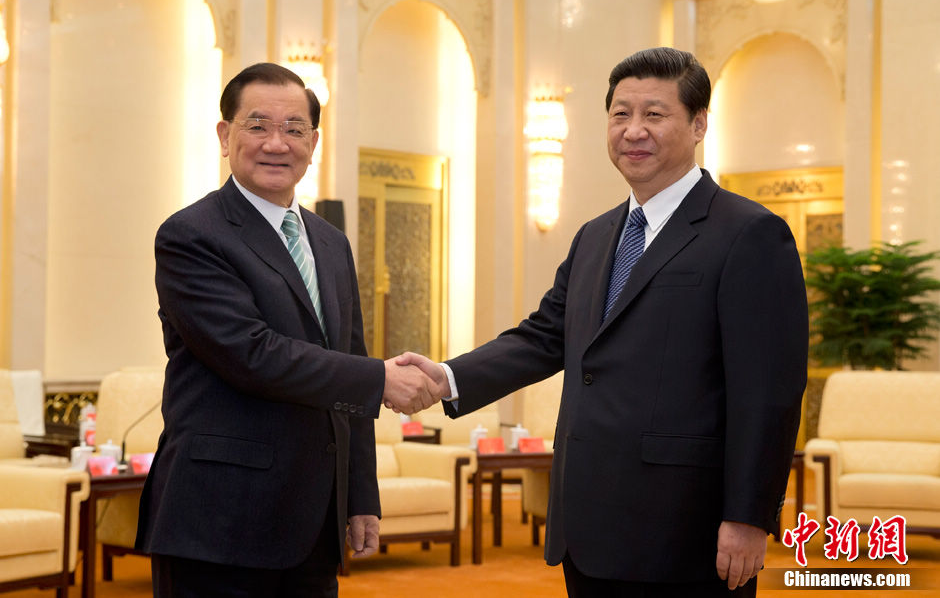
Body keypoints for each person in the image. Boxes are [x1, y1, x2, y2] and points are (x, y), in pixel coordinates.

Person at [399, 47, 807, 597]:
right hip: (588, 527)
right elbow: (545, 336)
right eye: (621, 114)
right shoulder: (596, 235)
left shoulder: (749, 233)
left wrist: (749, 517)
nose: (633, 130)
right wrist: (446, 377)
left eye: (654, 114)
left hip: (687, 533)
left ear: (699, 124)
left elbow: (769, 393)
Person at [136, 62, 439, 598]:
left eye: (294, 129)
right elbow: (252, 354)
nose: (277, 143)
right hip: (218, 523)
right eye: (258, 126)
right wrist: (379, 380)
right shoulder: (191, 236)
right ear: (225, 136)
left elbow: (349, 359)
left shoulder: (330, 242)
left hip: (312, 524)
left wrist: (360, 494)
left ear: (314, 142)